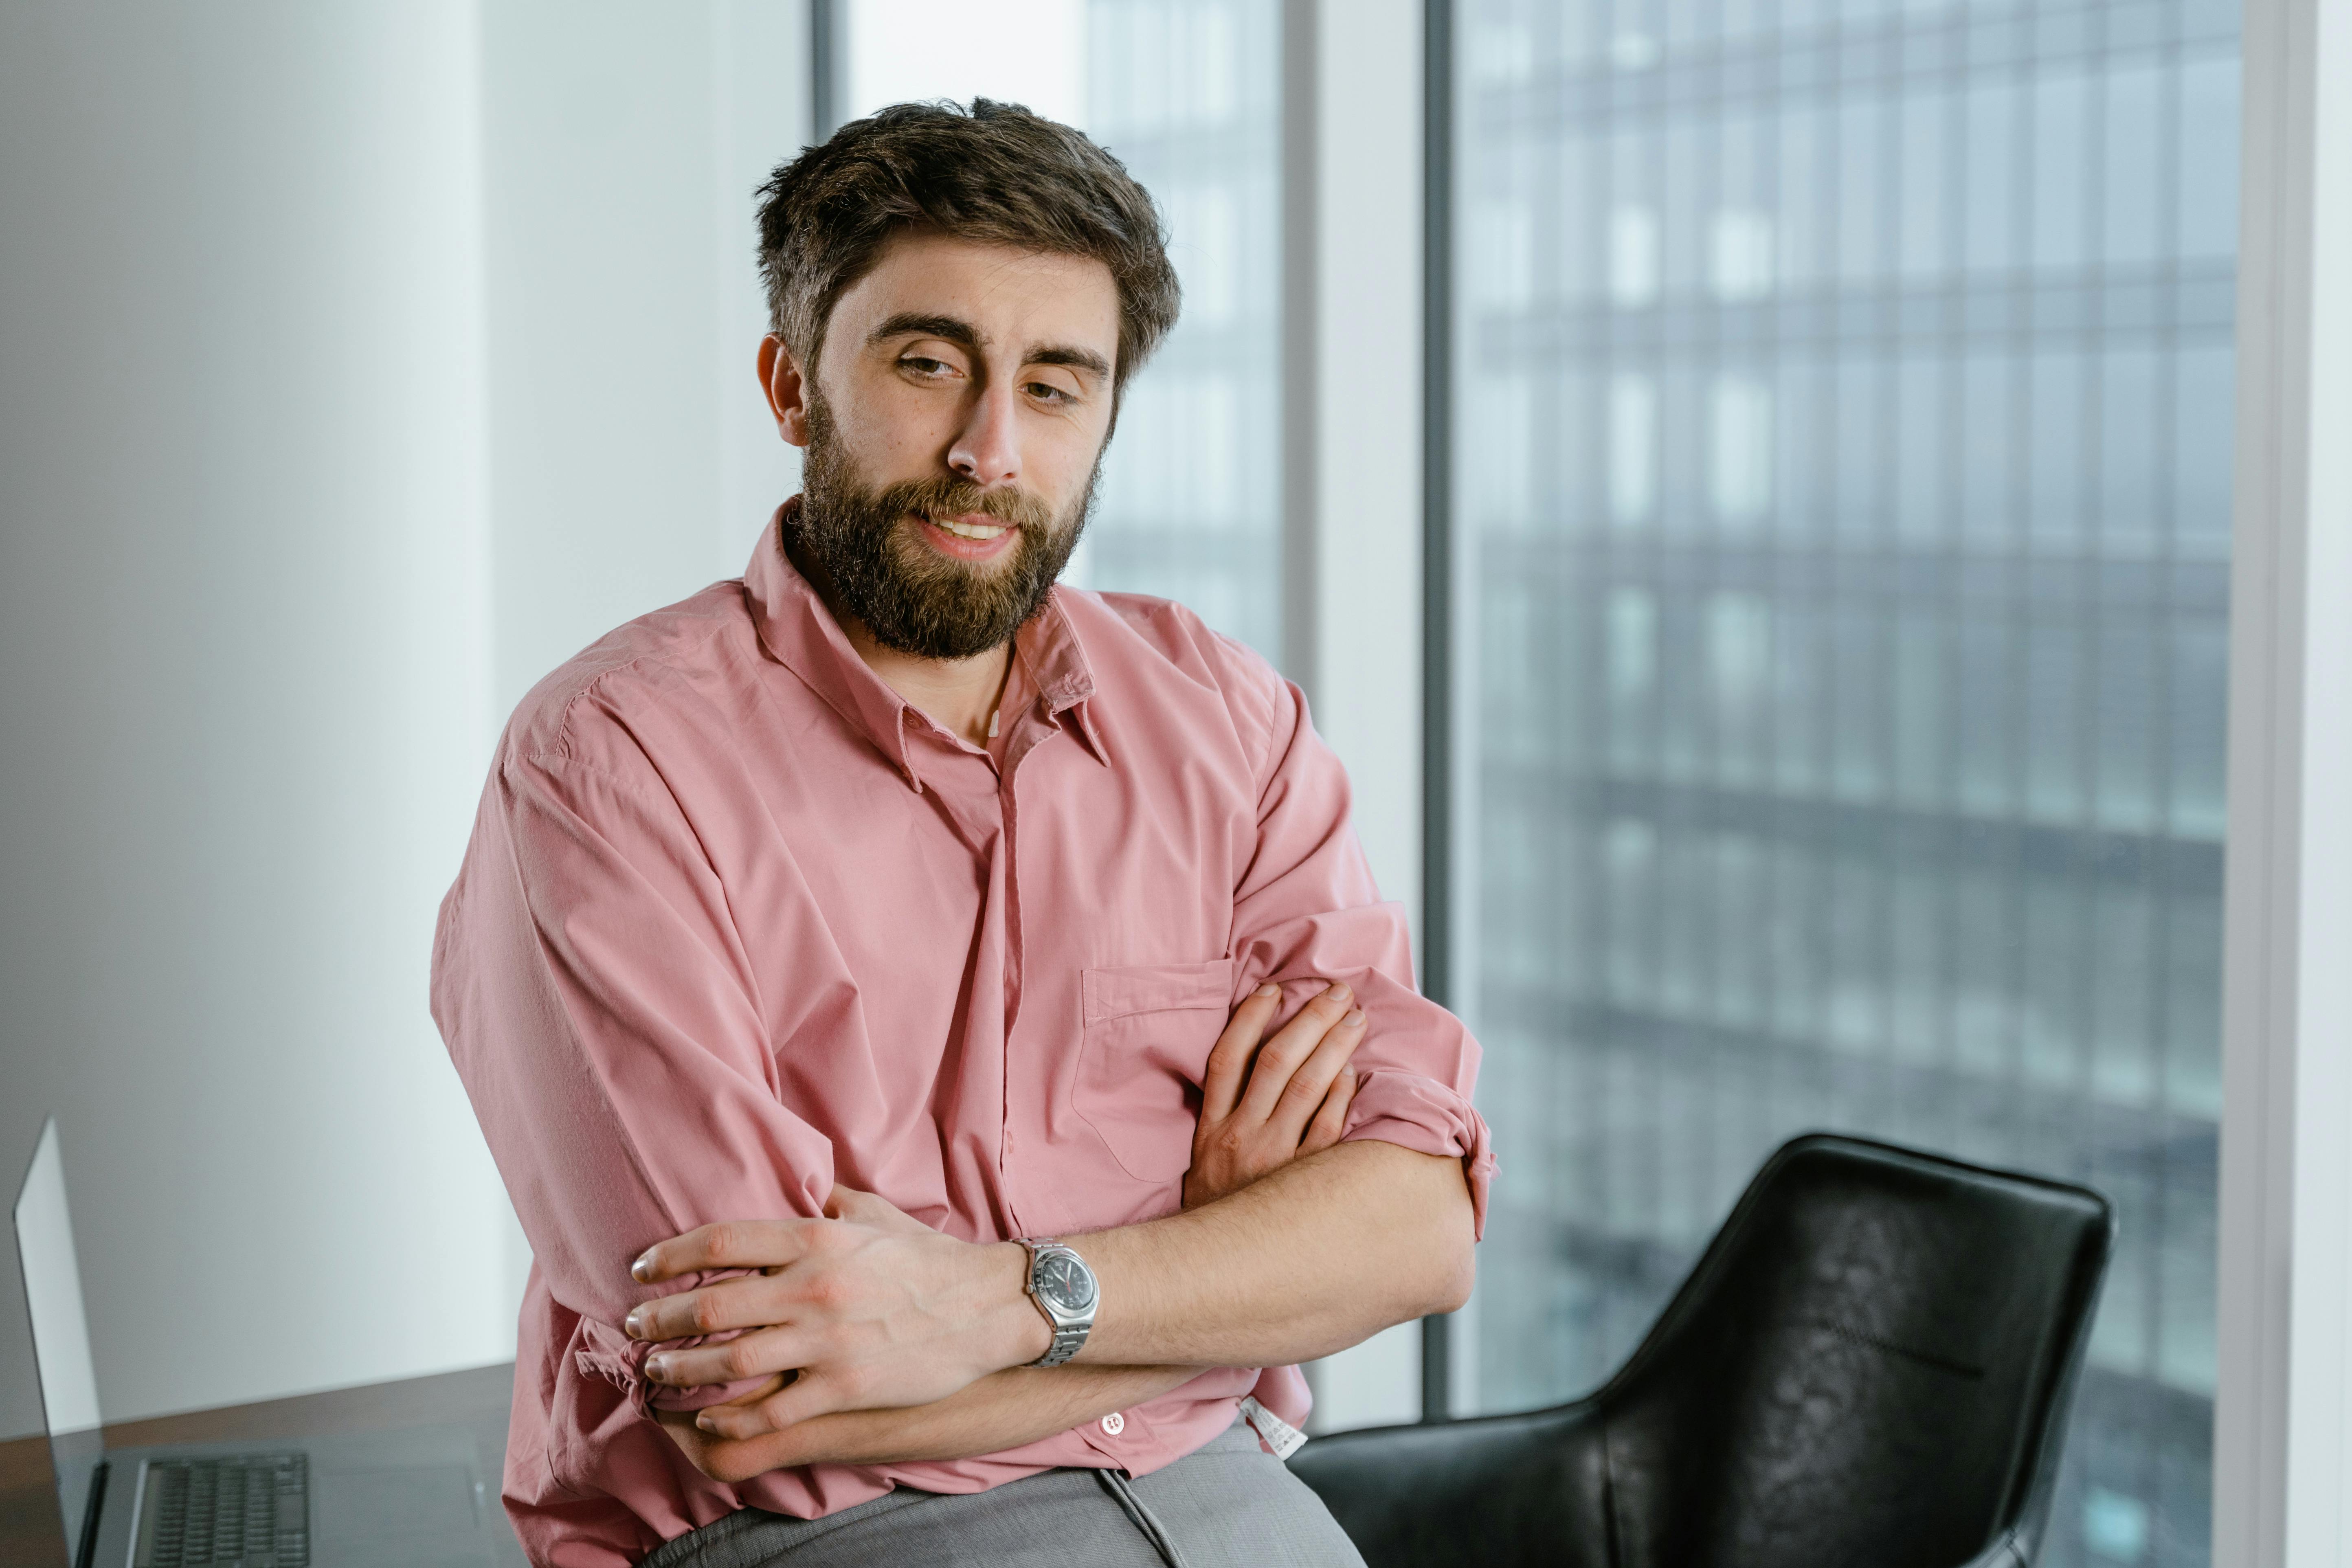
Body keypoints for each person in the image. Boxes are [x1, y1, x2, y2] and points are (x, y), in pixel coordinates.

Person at [432, 99, 1493, 1568]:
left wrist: (992, 1300)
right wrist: (1219, 1279)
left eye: (1057, 385)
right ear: (793, 384)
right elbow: (749, 1392)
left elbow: (1419, 1228)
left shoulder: (1226, 721)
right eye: (929, 364)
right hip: (836, 1538)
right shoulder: (609, 766)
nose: (991, 449)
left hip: (1243, 1512)